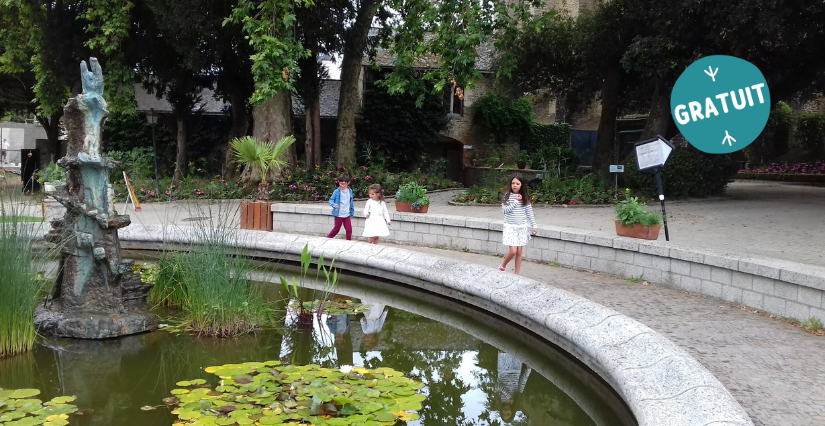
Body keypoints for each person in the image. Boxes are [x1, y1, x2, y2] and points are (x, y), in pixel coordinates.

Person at [499, 174, 537, 275]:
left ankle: (517, 274)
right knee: (513, 251)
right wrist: (516, 201)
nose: (514, 185)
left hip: (521, 228)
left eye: (517, 183)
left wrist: (534, 225)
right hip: (510, 227)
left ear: (521, 185)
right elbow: (505, 211)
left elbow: (529, 213)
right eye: (513, 183)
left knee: (519, 251)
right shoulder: (507, 195)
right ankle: (502, 266)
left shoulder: (525, 197)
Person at [327, 174, 355, 240]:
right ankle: (327, 239)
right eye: (340, 183)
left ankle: (348, 242)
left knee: (349, 230)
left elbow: (351, 202)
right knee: (336, 229)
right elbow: (331, 200)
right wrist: (334, 205)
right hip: (339, 214)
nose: (342, 185)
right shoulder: (336, 192)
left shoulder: (350, 191)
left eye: (344, 184)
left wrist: (351, 213)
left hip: (347, 214)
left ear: (348, 183)